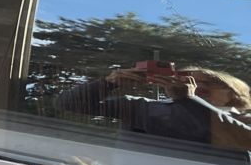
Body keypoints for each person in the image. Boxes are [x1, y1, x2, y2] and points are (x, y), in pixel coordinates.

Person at [57, 65, 251, 157]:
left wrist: (190, 100)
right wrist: (109, 83)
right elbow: (68, 104)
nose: (193, 86)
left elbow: (245, 139)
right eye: (184, 79)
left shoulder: (244, 119)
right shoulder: (145, 108)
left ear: (232, 92)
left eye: (207, 84)